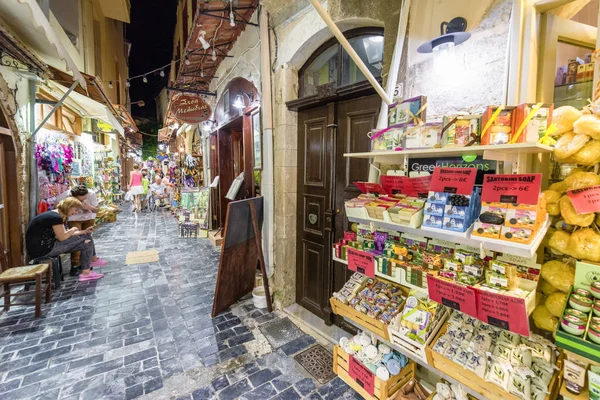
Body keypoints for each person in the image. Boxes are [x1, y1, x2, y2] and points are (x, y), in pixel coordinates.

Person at [26, 198, 104, 282]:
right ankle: (87, 270)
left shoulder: (55, 215)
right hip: (44, 249)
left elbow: (63, 233)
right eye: (75, 209)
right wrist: (73, 229)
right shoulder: (55, 218)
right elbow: (62, 237)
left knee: (86, 237)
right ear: (68, 207)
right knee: (86, 241)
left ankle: (89, 264)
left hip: (45, 246)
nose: (76, 212)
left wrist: (83, 231)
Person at [57, 185, 108, 274]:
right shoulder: (64, 196)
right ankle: (75, 265)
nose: (83, 201)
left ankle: (86, 264)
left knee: (87, 240)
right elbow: (58, 207)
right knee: (77, 240)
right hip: (74, 219)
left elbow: (97, 210)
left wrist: (90, 208)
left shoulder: (91, 194)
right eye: (80, 200)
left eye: (85, 198)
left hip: (88, 218)